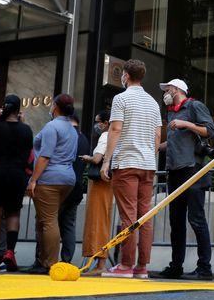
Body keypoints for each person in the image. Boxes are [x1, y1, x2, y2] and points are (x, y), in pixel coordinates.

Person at [100, 59, 162, 279]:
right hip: (147, 164)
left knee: (128, 215)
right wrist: (150, 155)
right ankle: (141, 266)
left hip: (126, 162)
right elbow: (157, 136)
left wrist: (106, 160)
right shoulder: (153, 103)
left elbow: (116, 128)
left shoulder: (121, 99)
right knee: (144, 215)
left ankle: (125, 265)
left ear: (125, 75)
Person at [156, 78, 214, 280]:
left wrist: (186, 123)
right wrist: (155, 146)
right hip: (174, 170)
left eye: (168, 89)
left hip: (193, 170)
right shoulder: (171, 111)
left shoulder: (193, 106)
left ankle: (204, 268)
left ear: (177, 89)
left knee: (196, 219)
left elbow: (211, 131)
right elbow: (174, 143)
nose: (166, 92)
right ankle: (176, 266)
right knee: (176, 221)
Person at [0, 94, 33, 273]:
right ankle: (10, 251)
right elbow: (28, 154)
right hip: (16, 175)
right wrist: (23, 123)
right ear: (19, 110)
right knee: (13, 214)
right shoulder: (26, 130)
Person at [27, 94, 77, 273]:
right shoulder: (72, 129)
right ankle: (43, 260)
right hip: (67, 178)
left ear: (54, 106)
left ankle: (50, 263)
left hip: (49, 177)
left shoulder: (51, 127)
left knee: (48, 220)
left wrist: (33, 179)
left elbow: (45, 155)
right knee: (45, 219)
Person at [81, 110, 113, 274]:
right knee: (105, 218)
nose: (97, 125)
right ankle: (100, 262)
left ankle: (100, 264)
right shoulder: (116, 136)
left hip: (99, 182)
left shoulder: (105, 136)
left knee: (97, 220)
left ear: (107, 123)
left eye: (99, 122)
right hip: (110, 181)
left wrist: (86, 157)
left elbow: (97, 159)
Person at [58, 113, 89, 264]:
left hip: (60, 183)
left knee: (50, 222)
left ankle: (46, 259)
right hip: (76, 186)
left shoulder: (65, 135)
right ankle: (66, 260)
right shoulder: (83, 138)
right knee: (69, 224)